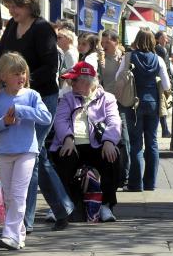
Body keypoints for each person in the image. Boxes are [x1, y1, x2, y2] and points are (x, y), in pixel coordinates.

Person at [0, 0, 74, 233]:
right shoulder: (12, 27)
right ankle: (62, 207)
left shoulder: (42, 29)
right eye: (9, 6)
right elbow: (0, 59)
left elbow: (50, 67)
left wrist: (24, 84)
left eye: (15, 5)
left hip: (40, 97)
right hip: (15, 96)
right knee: (39, 155)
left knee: (30, 155)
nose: (12, 10)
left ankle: (24, 221)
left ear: (28, 4)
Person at [0, 52, 51, 249]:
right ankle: (18, 232)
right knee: (7, 195)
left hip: (27, 151)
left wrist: (22, 110)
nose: (21, 77)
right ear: (3, 76)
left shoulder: (32, 95)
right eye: (15, 73)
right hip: (5, 151)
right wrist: (3, 122)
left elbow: (46, 117)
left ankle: (10, 235)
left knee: (19, 194)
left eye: (23, 73)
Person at [50, 61, 121, 222]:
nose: (70, 83)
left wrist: (109, 141)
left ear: (86, 81)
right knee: (63, 159)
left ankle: (105, 205)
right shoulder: (67, 98)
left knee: (113, 158)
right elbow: (60, 121)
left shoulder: (107, 98)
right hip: (73, 144)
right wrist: (67, 139)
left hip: (98, 144)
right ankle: (60, 205)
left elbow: (114, 122)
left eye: (74, 80)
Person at [116, 29, 170, 192]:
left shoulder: (129, 57)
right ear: (153, 41)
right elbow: (167, 85)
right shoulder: (158, 59)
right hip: (152, 103)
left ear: (137, 40)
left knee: (136, 143)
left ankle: (135, 184)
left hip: (134, 103)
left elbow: (119, 78)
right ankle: (150, 183)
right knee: (152, 142)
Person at [100, 29, 130, 188]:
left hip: (120, 102)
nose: (104, 45)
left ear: (116, 42)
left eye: (107, 42)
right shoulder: (100, 58)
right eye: (102, 42)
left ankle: (124, 175)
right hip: (104, 102)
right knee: (105, 138)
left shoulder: (124, 59)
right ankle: (109, 174)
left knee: (123, 138)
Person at [155, 31, 173, 138]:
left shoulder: (163, 49)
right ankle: (165, 130)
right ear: (158, 39)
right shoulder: (159, 49)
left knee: (162, 106)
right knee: (162, 105)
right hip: (160, 81)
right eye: (164, 38)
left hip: (162, 80)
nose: (166, 40)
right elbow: (165, 68)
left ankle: (165, 130)